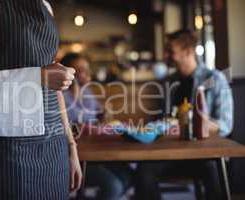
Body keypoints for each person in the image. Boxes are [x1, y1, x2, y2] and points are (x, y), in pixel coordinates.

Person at [0, 1, 82, 199]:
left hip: (54, 148)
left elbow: (55, 88)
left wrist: (71, 146)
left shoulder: (45, 5)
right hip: (6, 149)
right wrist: (38, 77)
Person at [135, 30, 233, 200]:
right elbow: (162, 119)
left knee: (213, 168)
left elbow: (225, 124)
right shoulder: (169, 81)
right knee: (144, 170)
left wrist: (192, 123)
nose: (166, 55)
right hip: (171, 153)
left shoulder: (215, 79)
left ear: (188, 51)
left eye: (170, 51)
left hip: (204, 155)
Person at [61, 53, 133, 200]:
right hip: (75, 158)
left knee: (128, 175)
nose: (87, 72)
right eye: (81, 68)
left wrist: (105, 115)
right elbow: (69, 127)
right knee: (114, 185)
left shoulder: (87, 92)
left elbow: (99, 116)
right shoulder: (60, 95)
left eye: (87, 68)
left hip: (96, 152)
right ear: (68, 72)